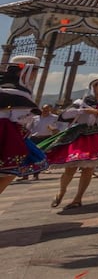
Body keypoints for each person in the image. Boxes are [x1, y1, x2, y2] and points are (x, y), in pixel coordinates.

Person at [41, 76, 98, 209]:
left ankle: (78, 198)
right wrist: (84, 110)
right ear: (94, 87)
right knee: (70, 168)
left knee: (88, 169)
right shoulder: (82, 101)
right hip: (80, 136)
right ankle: (61, 192)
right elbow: (65, 115)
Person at [1, 56, 48, 194]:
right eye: (33, 71)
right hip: (6, 132)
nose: (34, 75)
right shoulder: (20, 92)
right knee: (10, 171)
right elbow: (19, 118)